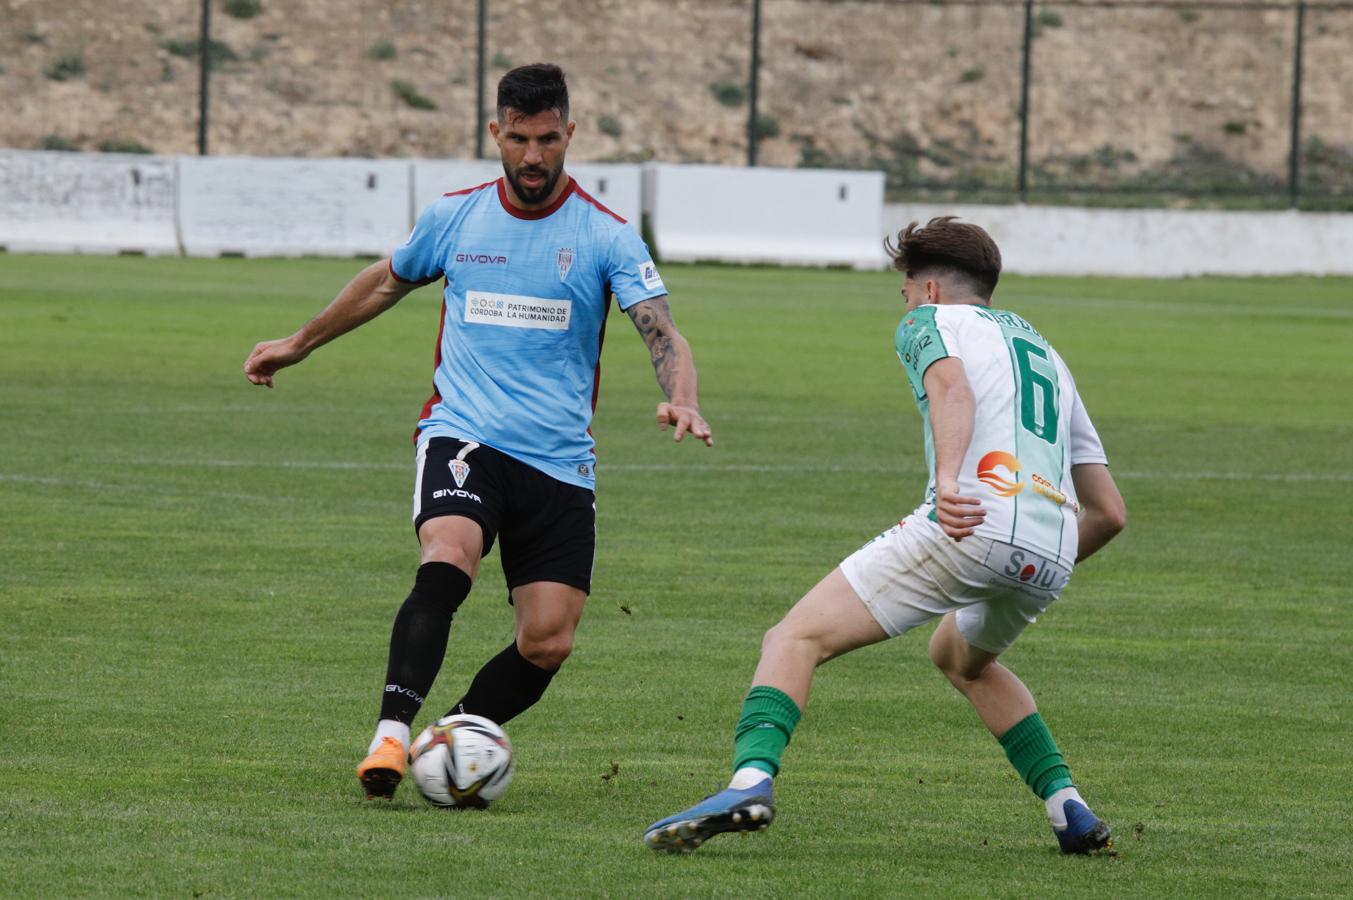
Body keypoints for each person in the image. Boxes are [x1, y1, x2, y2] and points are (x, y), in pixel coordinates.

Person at [243, 63, 712, 800]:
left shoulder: (605, 234)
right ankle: (391, 737)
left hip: (557, 462)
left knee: (548, 640)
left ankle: (450, 739)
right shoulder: (456, 216)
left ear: (571, 135)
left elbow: (660, 329)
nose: (533, 156)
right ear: (496, 132)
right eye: (519, 138)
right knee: (449, 553)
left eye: (548, 139)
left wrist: (682, 395)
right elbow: (384, 280)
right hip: (465, 435)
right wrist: (300, 342)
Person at [644, 216, 1126, 854]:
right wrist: (1041, 555)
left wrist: (951, 484)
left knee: (793, 637)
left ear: (927, 289)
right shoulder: (1048, 355)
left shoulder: (928, 322)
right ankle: (1071, 812)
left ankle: (749, 781)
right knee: (960, 659)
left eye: (903, 291)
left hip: (969, 520)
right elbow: (1110, 512)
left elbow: (951, 387)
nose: (902, 304)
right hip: (1052, 548)